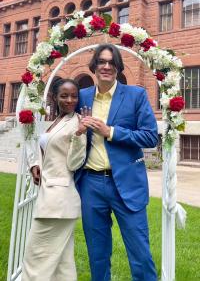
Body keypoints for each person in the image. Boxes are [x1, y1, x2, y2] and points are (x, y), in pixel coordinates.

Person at [76, 44, 158, 281]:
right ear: (94, 66)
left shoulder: (136, 95)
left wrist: (110, 131)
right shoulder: (81, 96)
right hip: (90, 184)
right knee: (97, 254)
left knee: (140, 255)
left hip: (127, 185)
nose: (106, 66)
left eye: (112, 62)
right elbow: (63, 132)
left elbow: (150, 136)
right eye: (101, 61)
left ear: (118, 67)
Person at [21, 78, 86, 281]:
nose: (70, 100)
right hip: (53, 198)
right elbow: (47, 152)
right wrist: (34, 165)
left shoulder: (77, 122)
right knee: (62, 264)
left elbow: (75, 163)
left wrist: (79, 134)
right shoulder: (57, 121)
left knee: (36, 258)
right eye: (64, 95)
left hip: (58, 201)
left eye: (74, 95)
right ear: (55, 97)